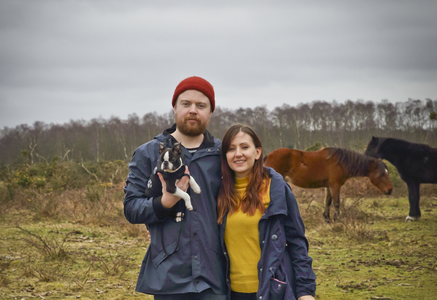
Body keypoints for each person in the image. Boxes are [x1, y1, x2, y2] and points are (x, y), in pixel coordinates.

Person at [123, 76, 227, 299]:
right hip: (169, 275)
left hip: (214, 273)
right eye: (186, 104)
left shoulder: (223, 154)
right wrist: (162, 204)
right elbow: (131, 208)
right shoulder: (148, 154)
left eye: (201, 105)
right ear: (174, 107)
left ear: (210, 112)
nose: (193, 110)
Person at [217, 124, 316, 300]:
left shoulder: (276, 189)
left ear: (257, 152)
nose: (238, 153)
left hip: (272, 291)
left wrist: (305, 291)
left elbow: (297, 242)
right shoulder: (217, 193)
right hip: (230, 293)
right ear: (225, 155)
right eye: (231, 149)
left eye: (244, 147)